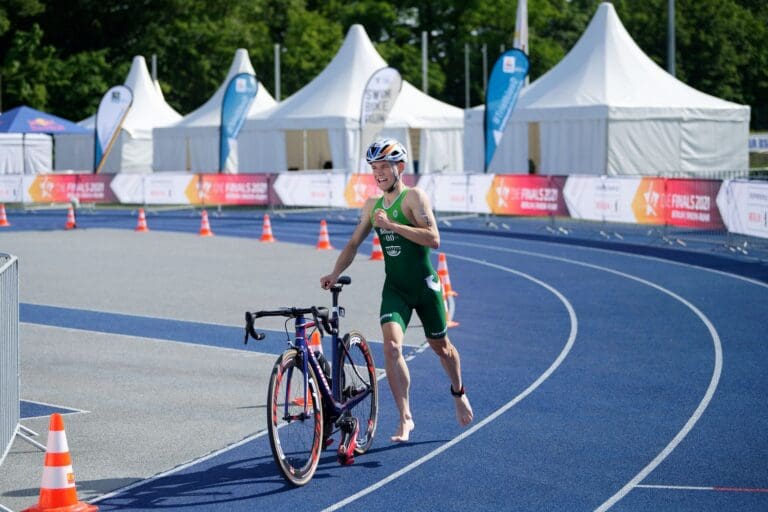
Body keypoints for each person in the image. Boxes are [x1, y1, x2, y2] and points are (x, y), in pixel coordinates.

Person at [320, 138, 473, 442]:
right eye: (374, 168)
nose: (378, 174)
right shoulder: (371, 206)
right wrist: (335, 272)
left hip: (425, 287)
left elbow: (433, 238)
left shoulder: (414, 198)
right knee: (391, 348)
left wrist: (392, 225)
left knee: (442, 348)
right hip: (396, 289)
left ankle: (458, 391)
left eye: (384, 167)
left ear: (399, 167)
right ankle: (405, 417)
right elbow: (352, 244)